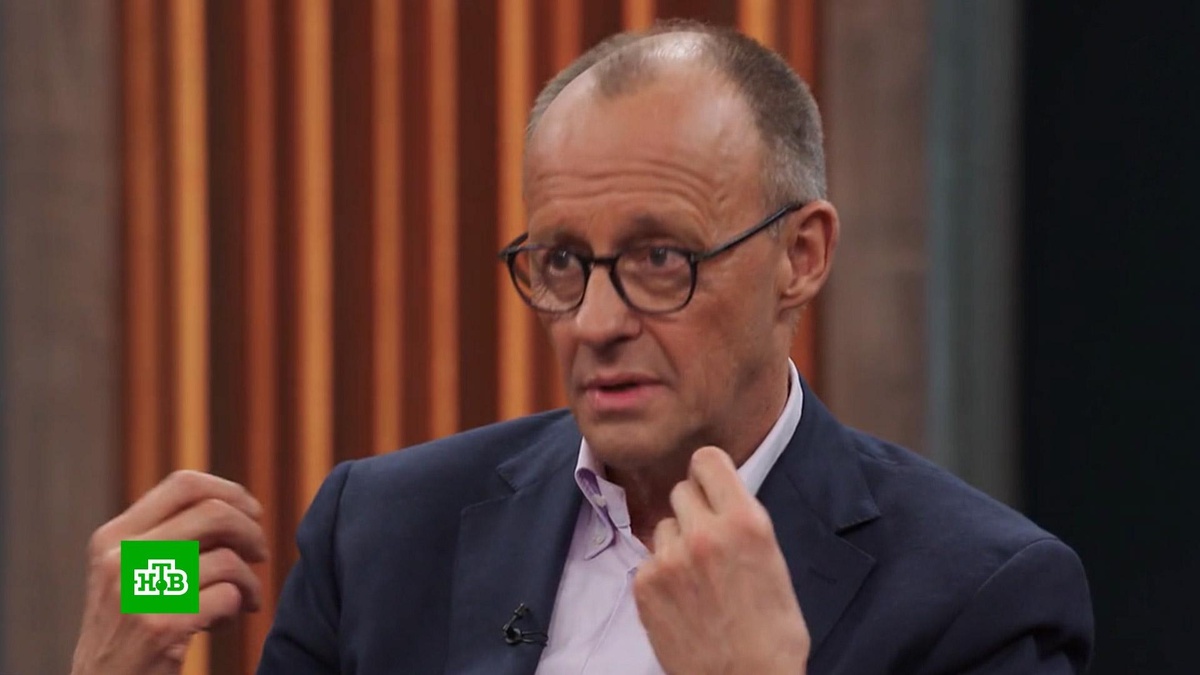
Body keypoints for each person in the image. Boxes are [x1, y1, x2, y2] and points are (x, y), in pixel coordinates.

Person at [70, 21, 1093, 675]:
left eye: (659, 258)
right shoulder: (380, 533)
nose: (597, 321)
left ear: (801, 256)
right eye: (562, 261)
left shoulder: (979, 599)